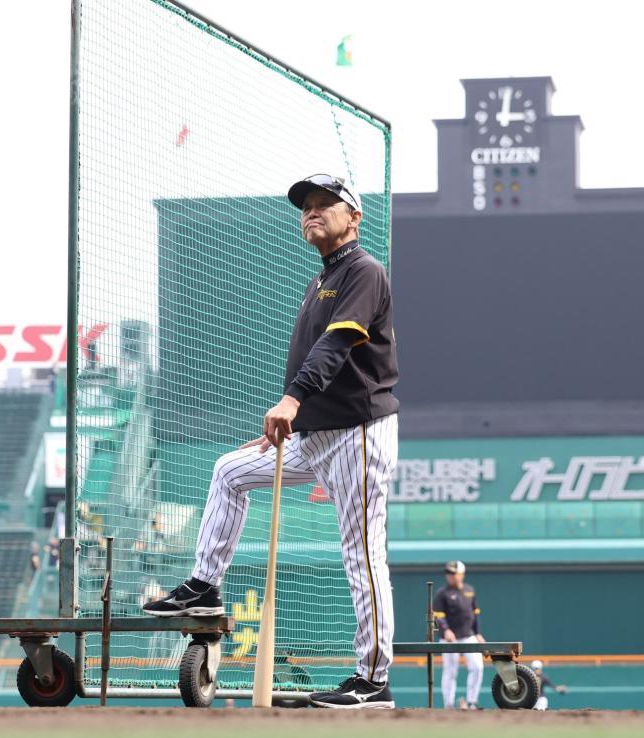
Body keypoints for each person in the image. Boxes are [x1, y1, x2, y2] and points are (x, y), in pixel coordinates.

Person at [143, 174, 400, 710]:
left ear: (354, 217)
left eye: (324, 204)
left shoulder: (364, 271)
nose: (311, 212)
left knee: (362, 553)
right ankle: (203, 585)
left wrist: (291, 400)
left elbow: (337, 345)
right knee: (229, 471)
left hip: (357, 433)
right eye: (306, 206)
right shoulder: (320, 280)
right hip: (316, 434)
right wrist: (293, 418)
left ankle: (372, 680)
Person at [433, 561, 485, 709]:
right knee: (450, 671)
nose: (450, 576)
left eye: (453, 573)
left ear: (461, 574)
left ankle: (472, 701)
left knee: (477, 667)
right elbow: (439, 616)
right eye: (448, 573)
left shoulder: (469, 590)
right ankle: (448, 704)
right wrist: (446, 630)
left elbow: (475, 614)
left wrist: (478, 633)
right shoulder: (442, 593)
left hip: (468, 635)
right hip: (450, 639)